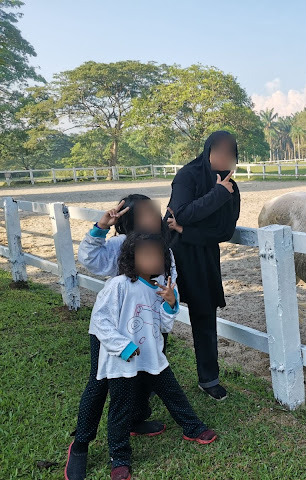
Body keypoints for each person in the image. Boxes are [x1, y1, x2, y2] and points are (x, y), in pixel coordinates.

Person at [65, 233, 217, 480]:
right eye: (145, 255)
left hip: (152, 357)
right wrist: (122, 346)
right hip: (121, 362)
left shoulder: (161, 288)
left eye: (157, 255)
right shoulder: (119, 285)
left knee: (173, 393)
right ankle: (120, 458)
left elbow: (165, 326)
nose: (153, 260)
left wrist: (170, 303)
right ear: (130, 259)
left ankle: (193, 427)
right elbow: (100, 321)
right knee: (121, 408)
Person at [72, 195, 177, 444]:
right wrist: (101, 228)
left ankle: (136, 419)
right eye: (145, 214)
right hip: (111, 330)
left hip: (148, 326)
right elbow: (89, 259)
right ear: (129, 219)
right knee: (99, 383)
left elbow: (170, 284)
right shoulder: (118, 245)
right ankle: (81, 443)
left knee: (145, 375)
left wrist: (167, 309)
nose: (153, 218)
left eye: (155, 213)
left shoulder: (164, 250)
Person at [166, 130, 241, 401]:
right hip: (172, 253)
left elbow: (223, 231)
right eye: (218, 151)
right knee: (158, 313)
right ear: (207, 150)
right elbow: (180, 211)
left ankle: (208, 379)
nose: (224, 158)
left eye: (230, 153)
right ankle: (150, 375)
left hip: (204, 257)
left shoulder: (232, 188)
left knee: (205, 316)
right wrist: (217, 194)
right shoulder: (187, 175)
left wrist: (187, 229)